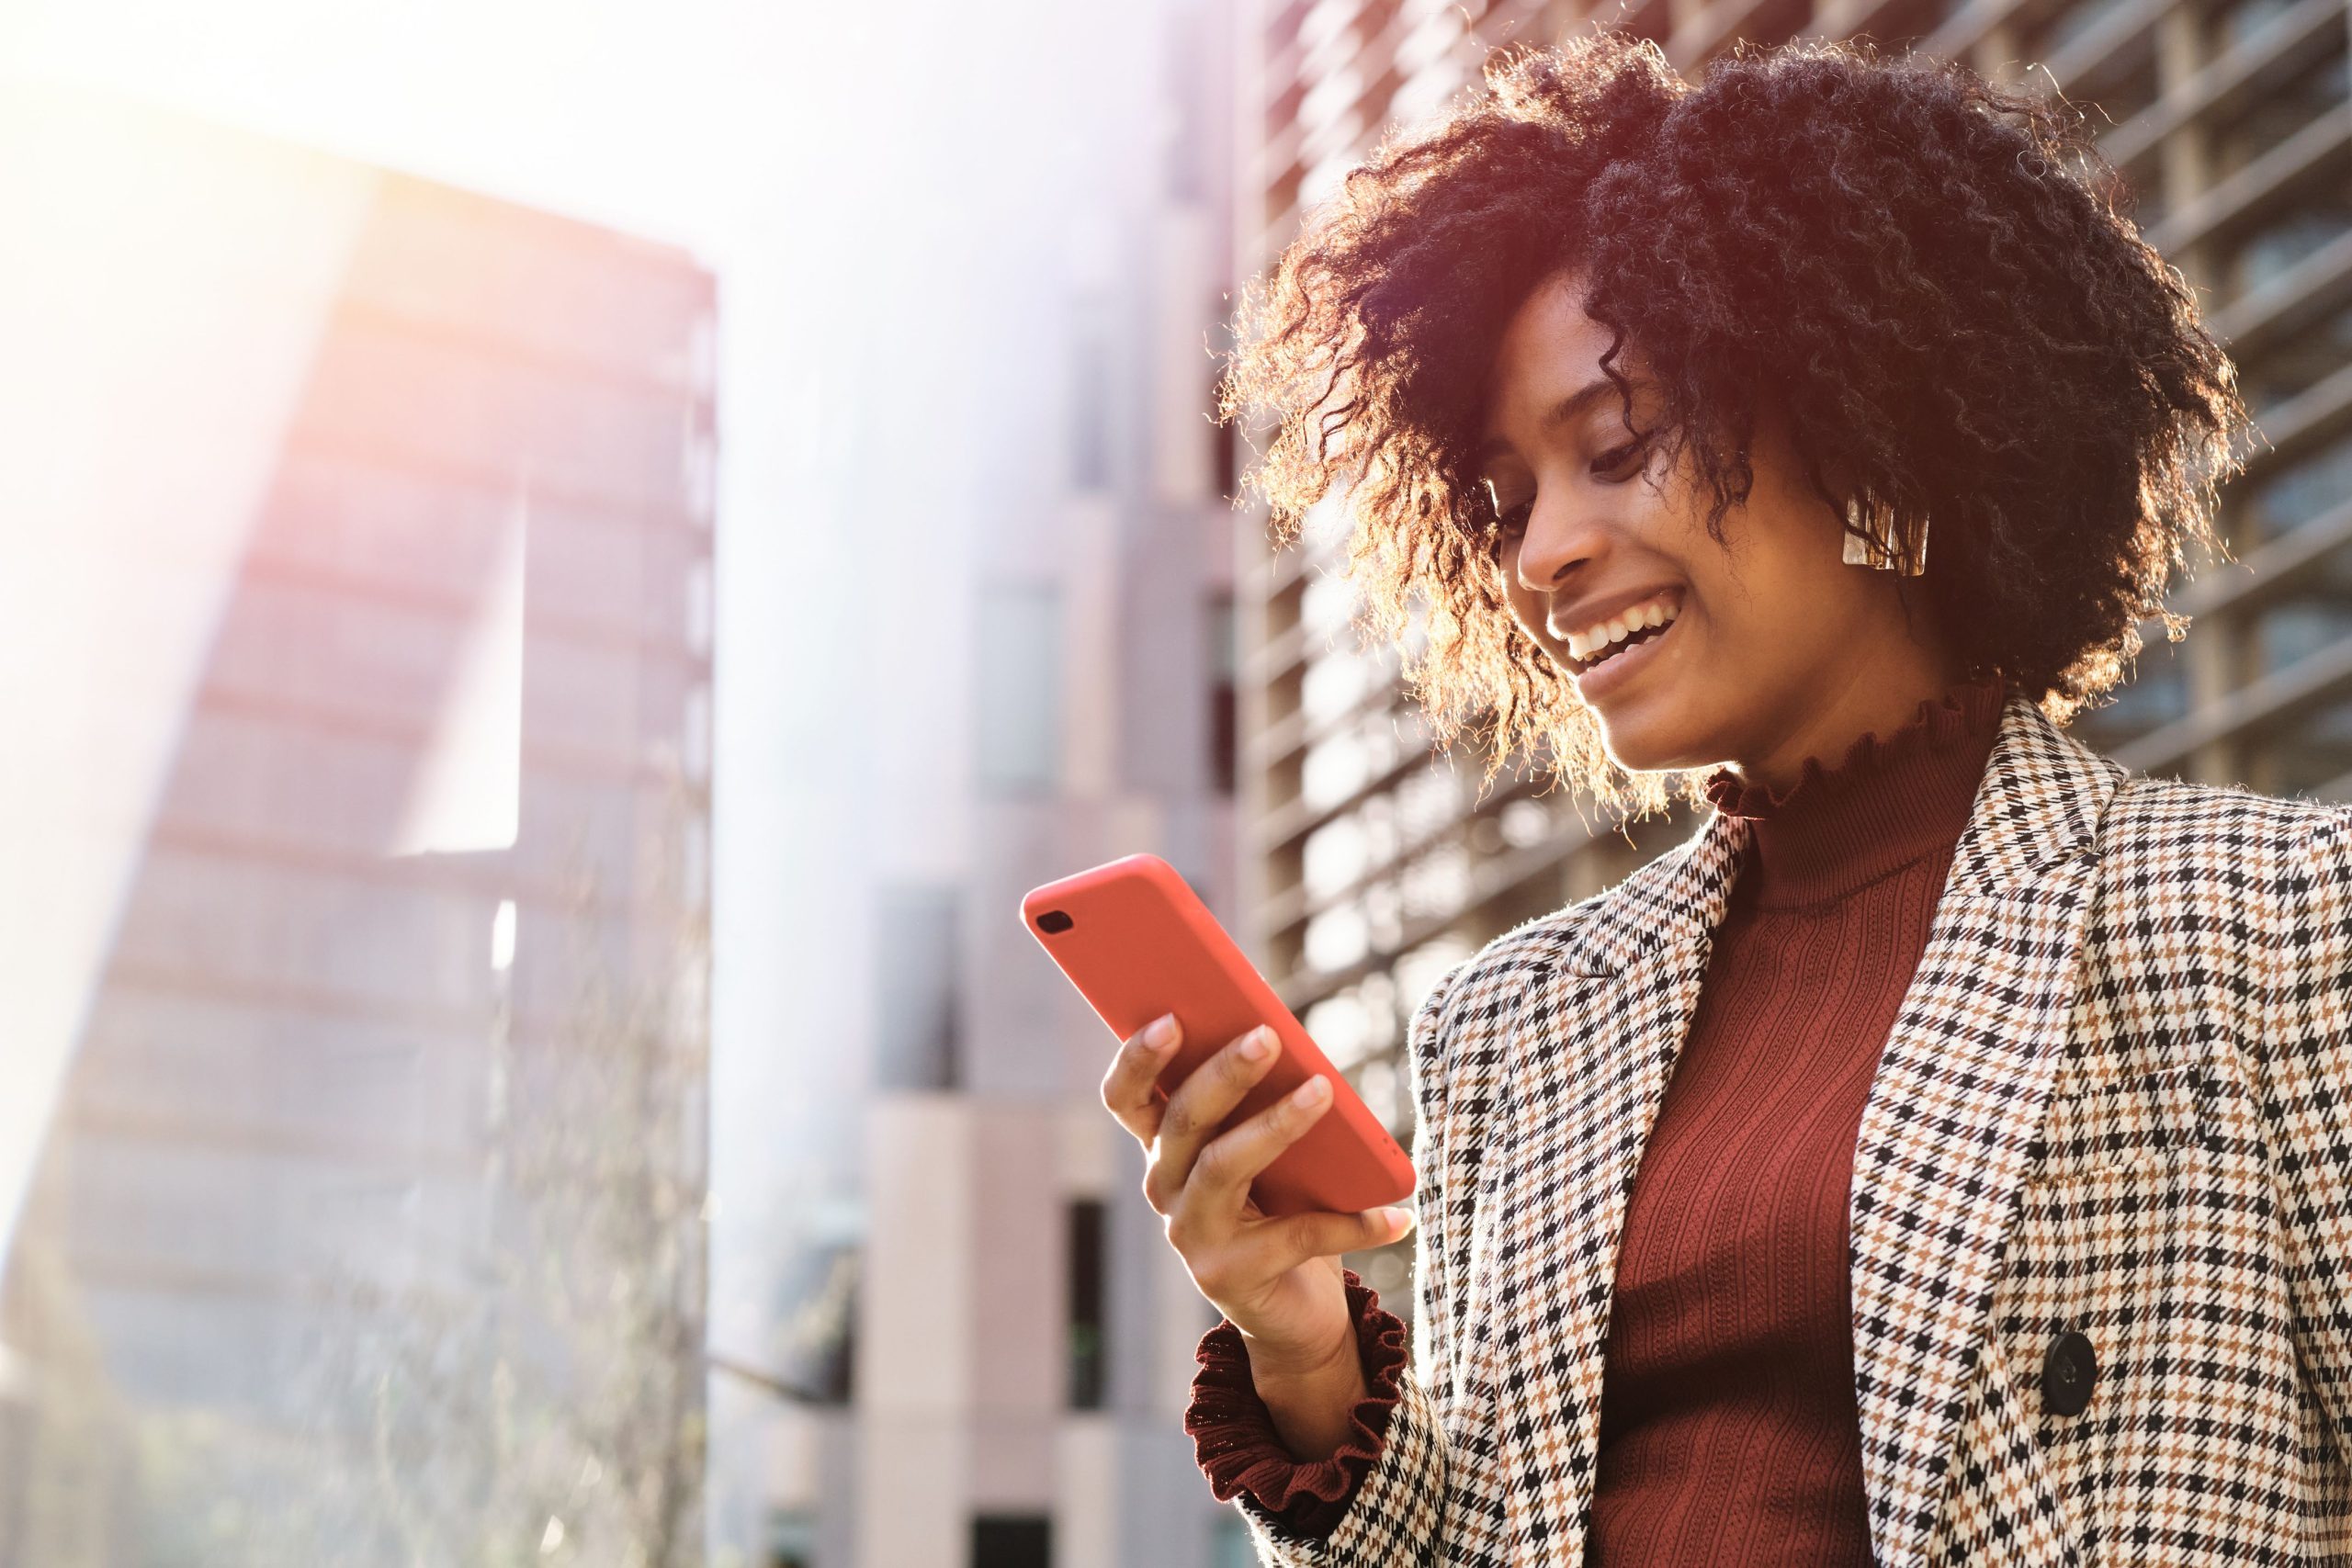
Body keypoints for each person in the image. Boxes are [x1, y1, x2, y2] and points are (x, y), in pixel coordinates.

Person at [1094, 28, 2352, 1567]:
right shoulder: (1516, 1023)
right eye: (1505, 499)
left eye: (1614, 446)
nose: (1540, 551)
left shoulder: (2276, 925)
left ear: (1869, 423)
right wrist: (1306, 1360)